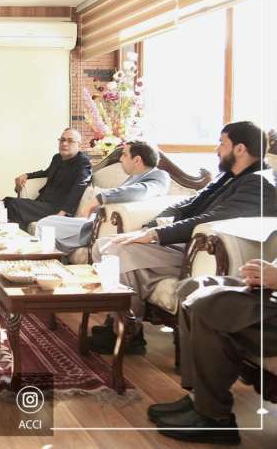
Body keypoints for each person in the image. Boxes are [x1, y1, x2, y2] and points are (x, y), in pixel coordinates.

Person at [90, 121, 277, 355]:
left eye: (221, 143)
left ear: (240, 149)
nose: (217, 149)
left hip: (204, 252)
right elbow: (187, 203)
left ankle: (125, 331)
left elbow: (213, 219)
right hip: (185, 245)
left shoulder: (260, 183)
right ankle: (125, 326)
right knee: (105, 245)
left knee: (116, 251)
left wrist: (155, 235)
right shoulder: (228, 176)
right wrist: (152, 225)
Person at [148, 258, 277, 444]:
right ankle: (198, 398)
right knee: (193, 288)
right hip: (270, 293)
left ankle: (215, 417)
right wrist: (262, 273)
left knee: (208, 305)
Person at [37, 140, 170, 253]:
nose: (120, 159)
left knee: (46, 225)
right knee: (48, 225)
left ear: (137, 160)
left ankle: (48, 265)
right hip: (97, 222)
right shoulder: (136, 176)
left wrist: (100, 198)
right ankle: (54, 264)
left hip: (104, 227)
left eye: (124, 155)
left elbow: (141, 192)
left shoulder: (159, 176)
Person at [4, 128, 92, 231]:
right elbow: (46, 172)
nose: (64, 143)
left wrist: (63, 212)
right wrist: (27, 175)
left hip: (57, 209)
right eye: (62, 140)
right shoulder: (57, 158)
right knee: (6, 203)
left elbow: (80, 187)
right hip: (42, 203)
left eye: (70, 141)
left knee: (11, 203)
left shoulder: (83, 162)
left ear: (79, 144)